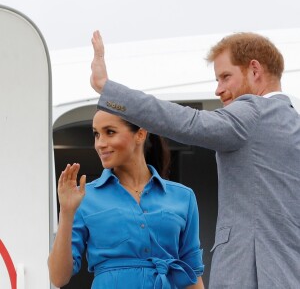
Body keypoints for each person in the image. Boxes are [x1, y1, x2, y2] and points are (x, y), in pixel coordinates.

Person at [90, 30, 300, 288]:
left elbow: (188, 123)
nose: (218, 90)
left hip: (249, 275)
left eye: (225, 77)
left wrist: (107, 89)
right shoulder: (293, 123)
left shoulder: (252, 112)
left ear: (254, 70)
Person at [48, 109, 205, 289]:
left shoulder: (183, 197)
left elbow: (192, 274)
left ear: (140, 134)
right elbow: (59, 277)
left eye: (110, 132)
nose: (100, 143)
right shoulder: (84, 197)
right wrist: (67, 212)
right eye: (96, 134)